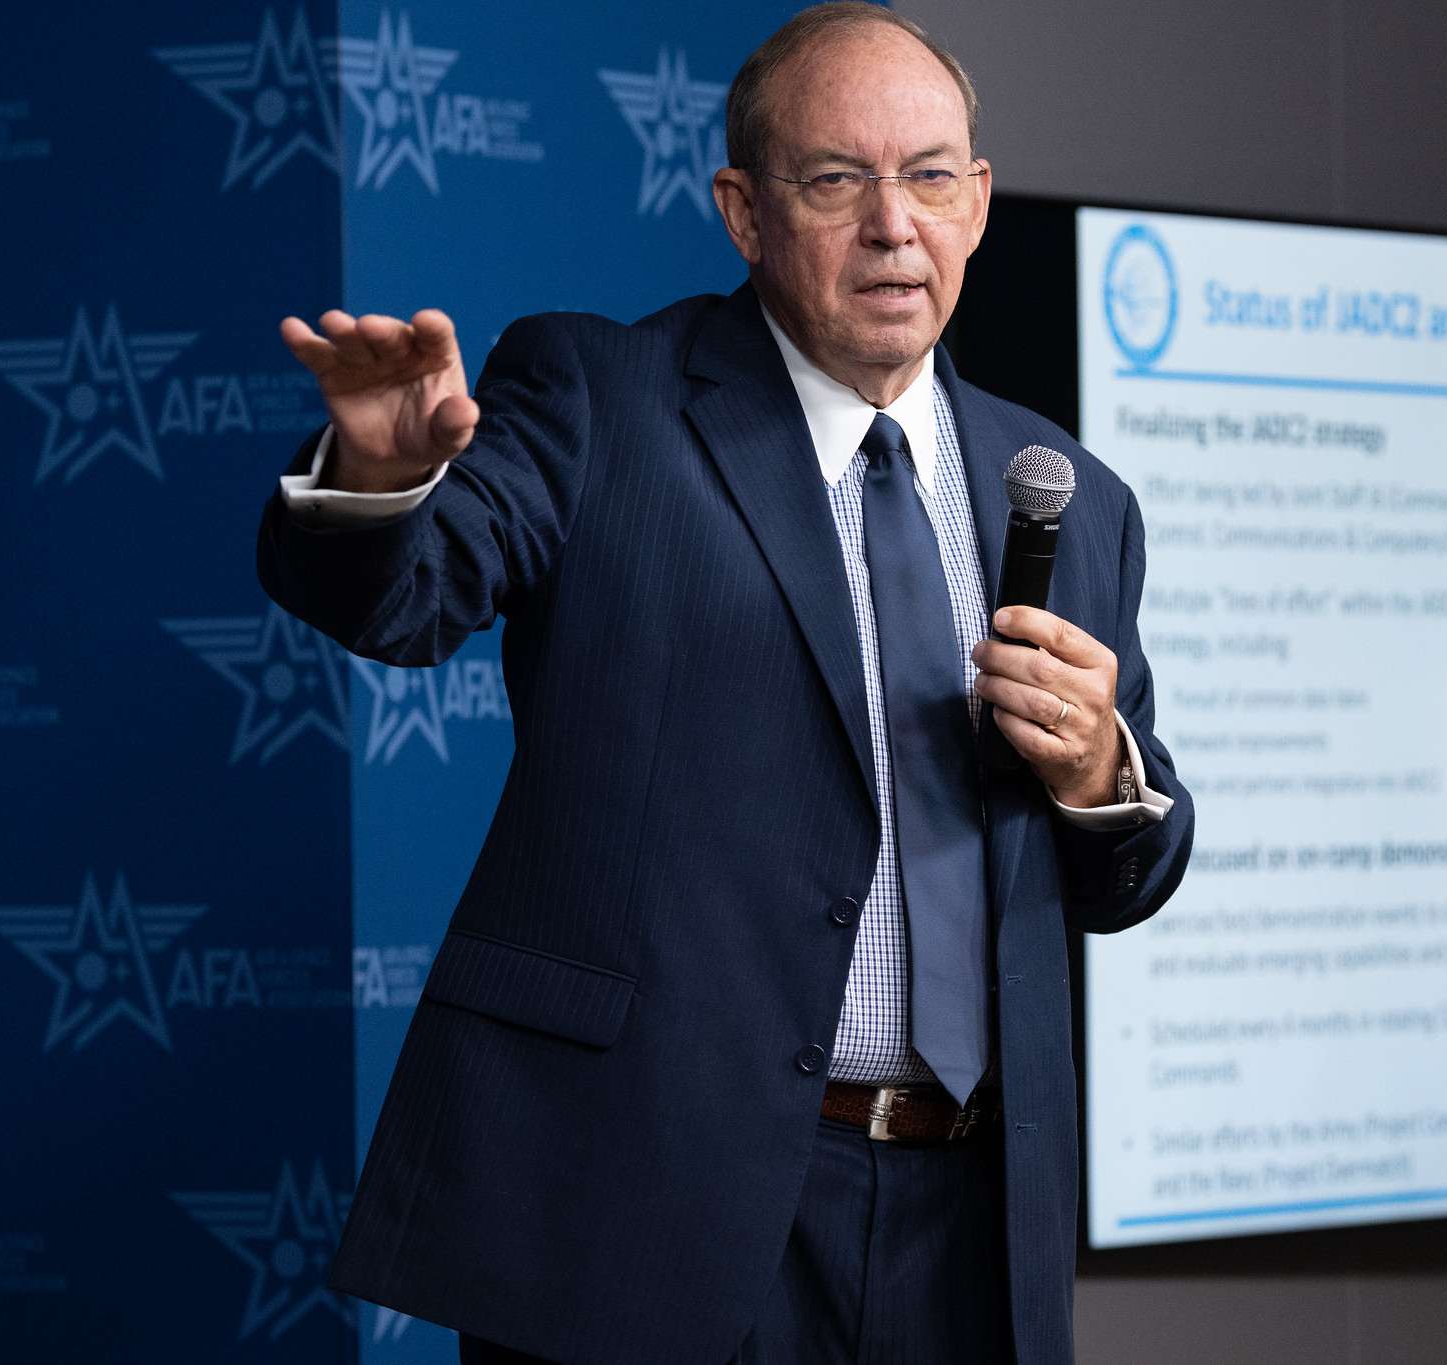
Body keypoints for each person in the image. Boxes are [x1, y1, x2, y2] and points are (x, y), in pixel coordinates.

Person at [258, 5, 1193, 1362]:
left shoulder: (1068, 494)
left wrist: (1100, 776)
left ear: (978, 205)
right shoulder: (602, 398)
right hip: (654, 1201)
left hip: (973, 1224)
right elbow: (401, 598)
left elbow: (1132, 865)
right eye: (836, 180)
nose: (893, 224)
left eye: (931, 176)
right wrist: (382, 478)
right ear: (744, 212)